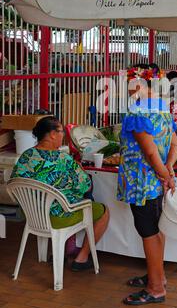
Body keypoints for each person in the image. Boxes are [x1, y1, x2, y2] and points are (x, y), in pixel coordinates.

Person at [11, 116, 109, 271]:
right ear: (52, 134)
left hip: (32, 215)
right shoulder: (63, 159)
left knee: (66, 201)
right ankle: (81, 258)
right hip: (58, 218)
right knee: (102, 211)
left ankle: (61, 250)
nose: (63, 135)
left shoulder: (26, 156)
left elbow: (14, 184)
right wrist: (80, 170)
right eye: (61, 131)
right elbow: (85, 186)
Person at [118, 63, 177, 305]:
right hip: (155, 182)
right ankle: (158, 277)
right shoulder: (163, 109)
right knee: (156, 229)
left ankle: (155, 289)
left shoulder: (137, 113)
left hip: (141, 184)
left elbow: (151, 152)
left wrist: (164, 174)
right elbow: (174, 145)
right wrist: (169, 171)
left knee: (148, 232)